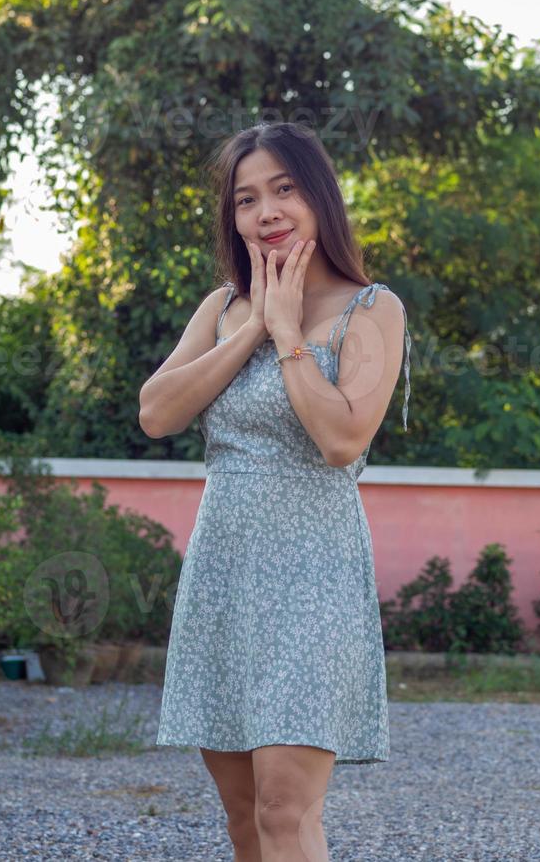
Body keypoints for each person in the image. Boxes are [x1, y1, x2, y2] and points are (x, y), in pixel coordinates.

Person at [139, 121, 412, 862]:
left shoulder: (371, 309)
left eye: (284, 189)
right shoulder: (221, 309)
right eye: (246, 198)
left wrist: (288, 336)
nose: (266, 211)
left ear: (319, 195)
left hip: (313, 580)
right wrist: (255, 322)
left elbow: (341, 440)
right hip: (224, 574)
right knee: (242, 818)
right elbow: (158, 412)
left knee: (285, 812)